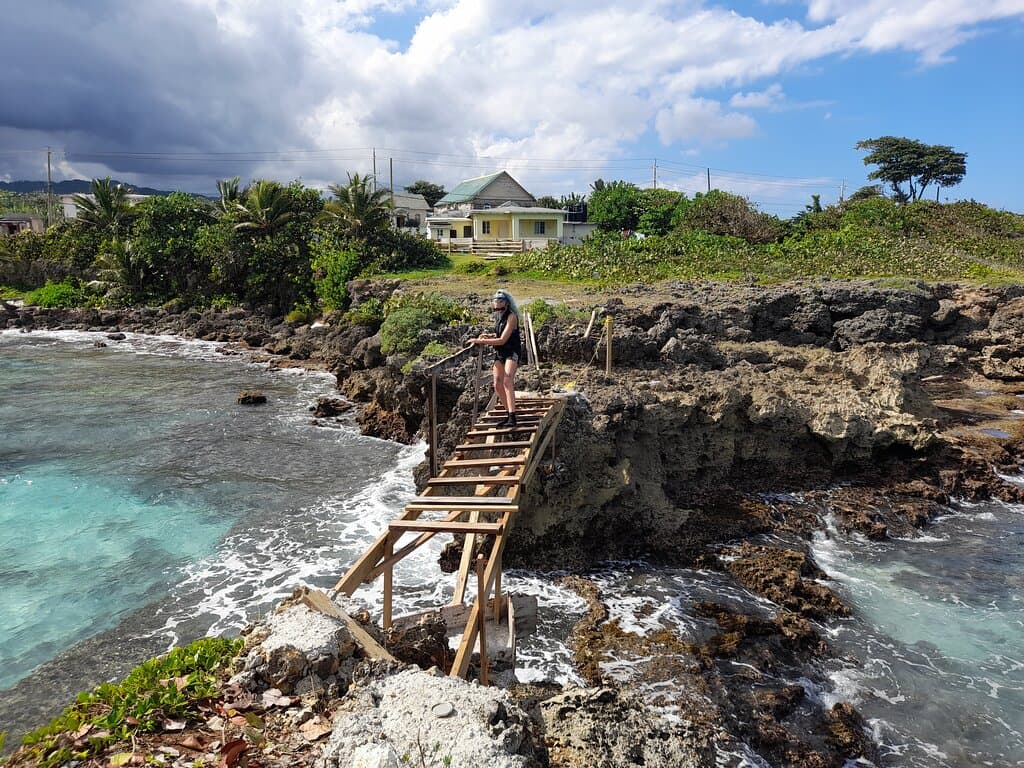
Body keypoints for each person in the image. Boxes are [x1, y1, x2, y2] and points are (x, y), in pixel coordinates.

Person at [470, 289, 522, 427]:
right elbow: (498, 335)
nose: (497, 304)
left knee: (507, 380)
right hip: (500, 353)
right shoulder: (499, 316)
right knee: (497, 385)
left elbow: (503, 340)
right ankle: (508, 413)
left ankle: (513, 416)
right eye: (495, 301)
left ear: (507, 303)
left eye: (500, 301)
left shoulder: (512, 317)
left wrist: (480, 341)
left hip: (511, 351)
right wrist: (487, 336)